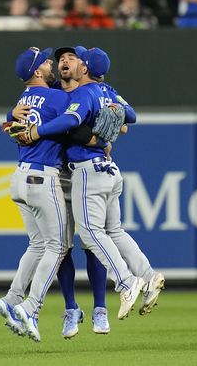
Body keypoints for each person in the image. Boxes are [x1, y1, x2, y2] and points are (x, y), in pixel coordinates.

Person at [17, 47, 165, 321]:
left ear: (84, 68)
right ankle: (148, 275)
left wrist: (37, 130)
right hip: (108, 170)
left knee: (89, 234)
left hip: (87, 170)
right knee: (114, 231)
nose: (65, 61)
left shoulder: (83, 93)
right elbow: (130, 116)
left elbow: (71, 121)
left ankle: (126, 282)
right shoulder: (103, 91)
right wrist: (112, 118)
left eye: (74, 58)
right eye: (62, 59)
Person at [0, 47, 70, 342]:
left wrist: (9, 115)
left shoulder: (22, 100)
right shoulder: (57, 97)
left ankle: (12, 299)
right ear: (37, 72)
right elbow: (80, 111)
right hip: (42, 175)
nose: (51, 64)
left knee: (38, 244)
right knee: (58, 246)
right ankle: (31, 306)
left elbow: (9, 122)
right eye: (47, 62)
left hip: (19, 177)